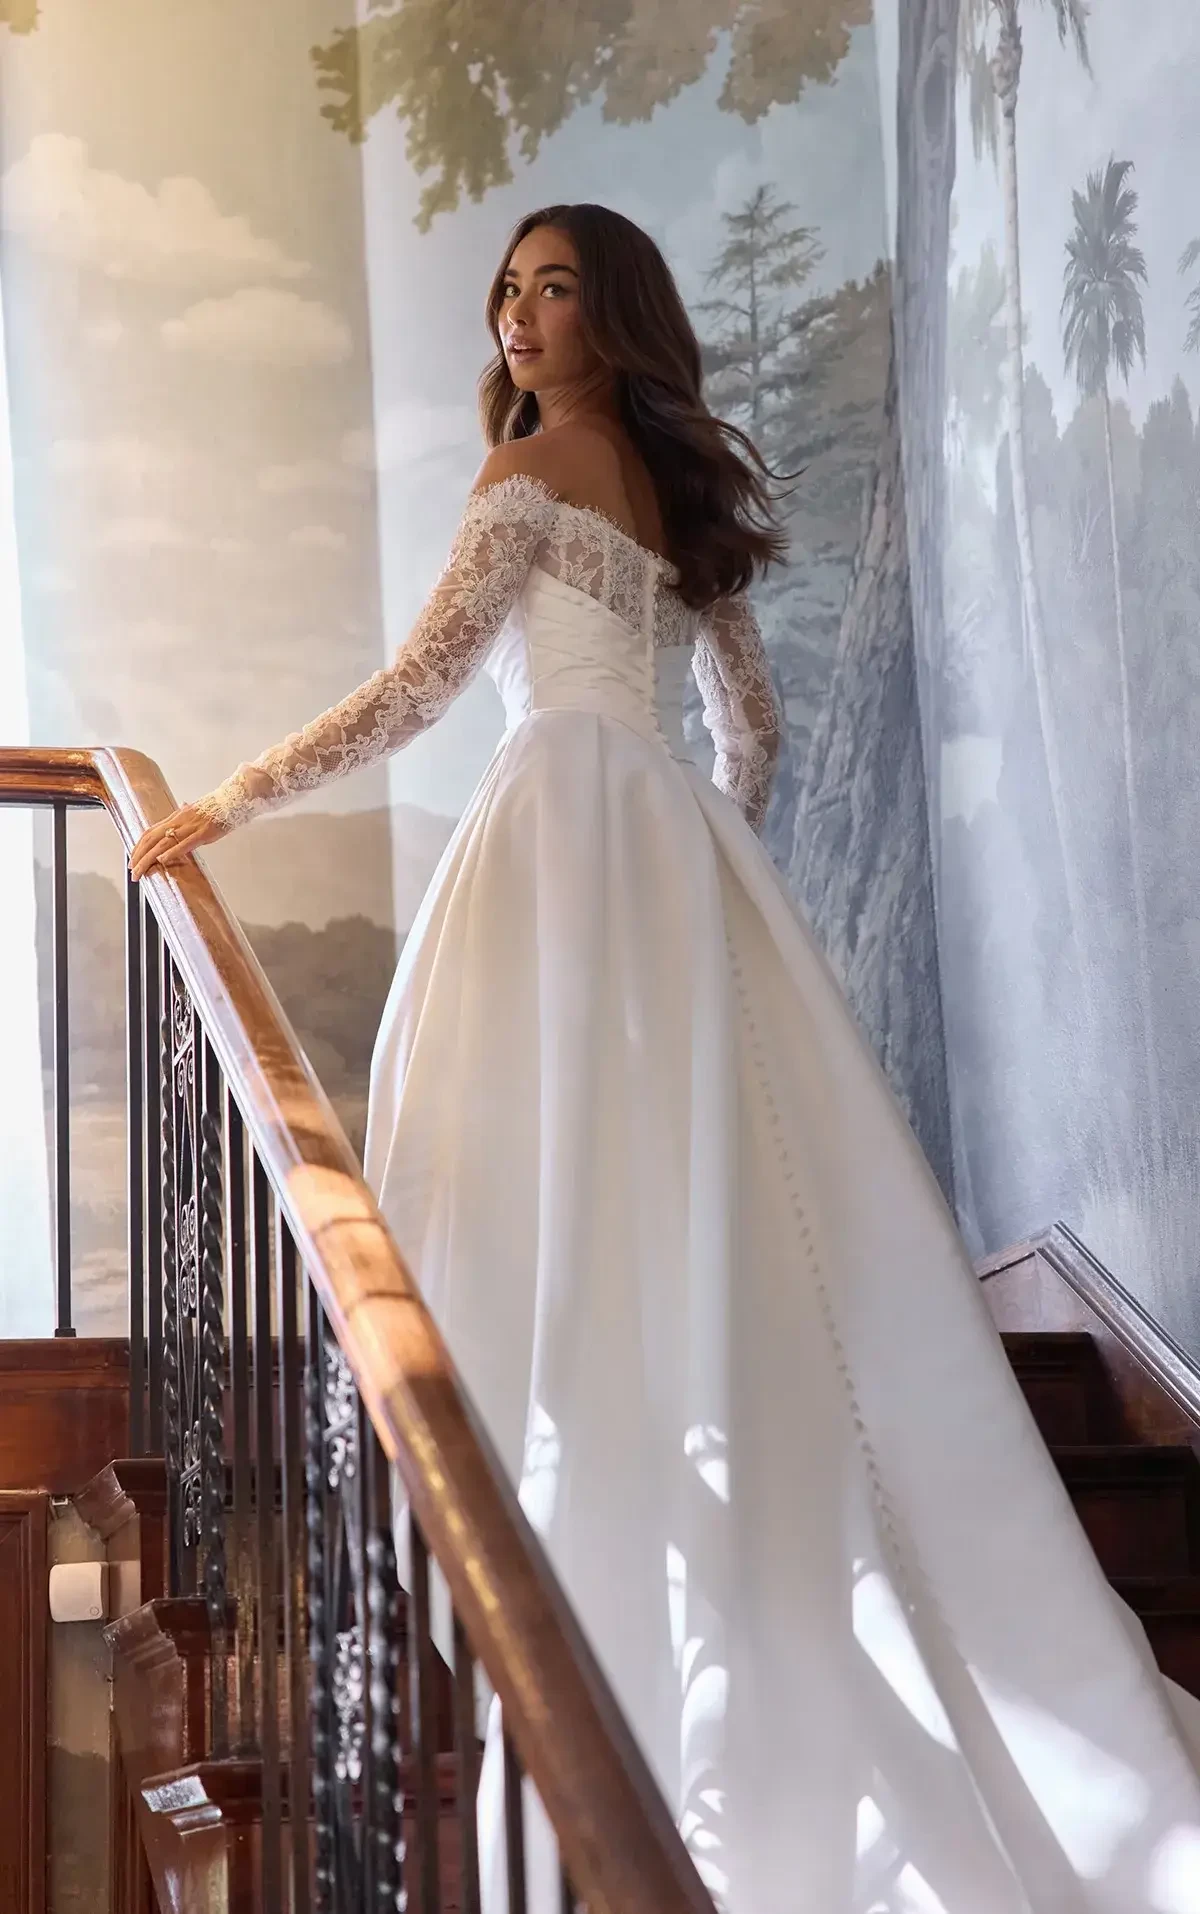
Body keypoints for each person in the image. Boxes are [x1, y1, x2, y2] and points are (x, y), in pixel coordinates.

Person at [131, 203, 1200, 1914]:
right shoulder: (672, 496)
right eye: (508, 288)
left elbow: (416, 694)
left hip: (560, 841)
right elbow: (750, 731)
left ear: (614, 314)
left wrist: (230, 799)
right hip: (663, 852)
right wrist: (696, 863)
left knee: (559, 1205)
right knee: (693, 1207)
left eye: (554, 288)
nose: (518, 315)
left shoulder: (529, 475)